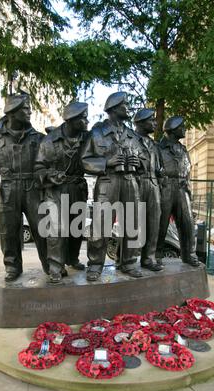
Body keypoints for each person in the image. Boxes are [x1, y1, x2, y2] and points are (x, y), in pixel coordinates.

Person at [0, 92, 47, 281]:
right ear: (12, 113)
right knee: (8, 232)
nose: (30, 112)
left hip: (33, 190)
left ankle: (50, 264)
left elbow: (48, 162)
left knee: (42, 229)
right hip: (7, 190)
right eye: (25, 109)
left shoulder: (38, 138)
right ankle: (12, 266)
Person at [81, 91, 143, 281]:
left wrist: (138, 162)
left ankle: (129, 262)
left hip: (130, 182)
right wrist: (107, 162)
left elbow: (143, 161)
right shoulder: (97, 133)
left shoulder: (132, 135)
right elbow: (84, 161)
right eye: (125, 105)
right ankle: (95, 264)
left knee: (132, 223)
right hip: (108, 182)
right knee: (101, 223)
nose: (129, 108)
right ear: (114, 109)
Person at [34, 102, 89, 283]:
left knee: (77, 227)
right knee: (56, 229)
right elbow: (38, 168)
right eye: (83, 118)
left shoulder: (87, 138)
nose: (86, 121)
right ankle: (56, 267)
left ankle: (72, 259)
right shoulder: (49, 141)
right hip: (56, 189)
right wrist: (50, 175)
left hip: (78, 187)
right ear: (72, 120)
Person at [156, 115, 199, 267]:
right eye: (182, 127)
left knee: (187, 223)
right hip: (165, 187)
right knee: (160, 224)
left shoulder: (183, 149)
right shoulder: (158, 148)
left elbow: (188, 169)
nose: (185, 129)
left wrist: (187, 186)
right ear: (173, 130)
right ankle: (156, 255)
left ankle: (189, 254)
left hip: (182, 188)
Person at [134, 108, 163, 271]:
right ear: (140, 122)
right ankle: (124, 257)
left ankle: (149, 258)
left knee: (154, 221)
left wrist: (160, 173)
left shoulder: (153, 144)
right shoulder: (130, 139)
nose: (155, 123)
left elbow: (157, 166)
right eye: (151, 120)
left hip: (153, 184)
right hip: (137, 182)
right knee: (132, 222)